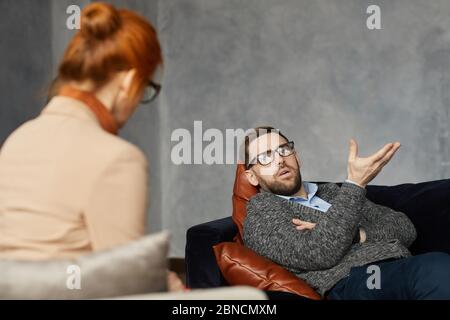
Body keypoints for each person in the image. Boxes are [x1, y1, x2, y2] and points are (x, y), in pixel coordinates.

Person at [0, 3, 161, 260]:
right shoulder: (119, 159)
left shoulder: (16, 142)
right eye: (145, 87)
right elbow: (126, 282)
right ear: (129, 81)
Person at [242, 126, 450, 299]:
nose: (279, 160)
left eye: (284, 150)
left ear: (297, 158)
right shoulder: (262, 211)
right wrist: (355, 184)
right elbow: (318, 252)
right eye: (265, 157)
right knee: (434, 269)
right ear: (252, 177)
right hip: (351, 281)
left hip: (395, 267)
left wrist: (356, 235)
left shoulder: (332, 192)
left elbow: (404, 228)